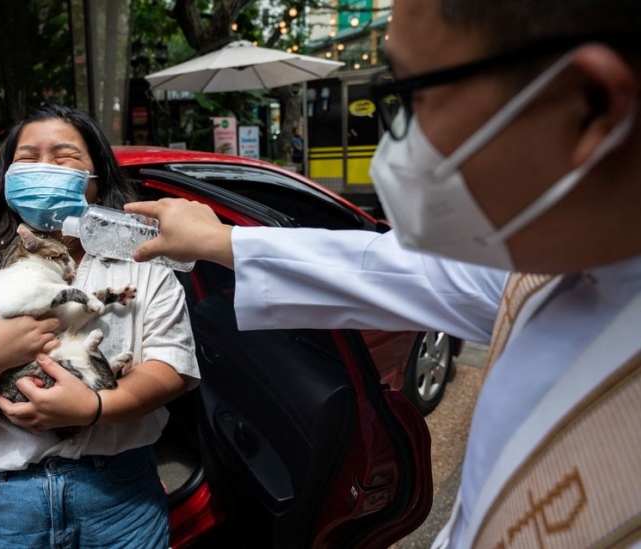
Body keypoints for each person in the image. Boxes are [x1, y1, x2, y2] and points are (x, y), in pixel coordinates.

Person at [125, 1, 641, 547]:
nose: (397, 145)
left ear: (588, 106)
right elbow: (401, 270)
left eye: (415, 95)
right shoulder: (558, 267)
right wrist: (218, 241)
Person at [0, 103, 199, 549]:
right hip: (7, 508)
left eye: (64, 157)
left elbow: (173, 369)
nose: (44, 167)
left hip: (120, 500)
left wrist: (94, 408)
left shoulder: (144, 267)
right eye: (27, 157)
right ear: (6, 180)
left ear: (96, 180)